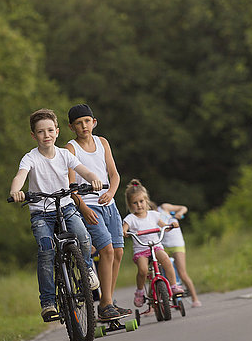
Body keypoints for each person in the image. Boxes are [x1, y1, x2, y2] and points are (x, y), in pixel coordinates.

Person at [9, 108, 101, 322]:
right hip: (41, 212)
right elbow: (20, 176)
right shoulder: (30, 158)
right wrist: (16, 191)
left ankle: (86, 269)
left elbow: (84, 170)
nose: (46, 135)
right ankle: (48, 302)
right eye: (41, 132)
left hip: (66, 207)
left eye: (50, 130)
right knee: (46, 250)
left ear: (57, 132)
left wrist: (93, 179)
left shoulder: (64, 154)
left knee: (84, 237)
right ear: (34, 135)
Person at [65, 103, 130, 322]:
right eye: (78, 123)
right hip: (89, 206)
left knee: (118, 252)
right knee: (107, 250)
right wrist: (82, 207)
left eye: (87, 121)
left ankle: (107, 303)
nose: (84, 126)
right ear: (72, 127)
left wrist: (111, 193)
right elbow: (71, 186)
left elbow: (114, 174)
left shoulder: (102, 142)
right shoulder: (71, 148)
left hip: (108, 203)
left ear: (94, 122)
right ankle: (106, 303)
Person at [122, 179, 184, 307]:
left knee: (166, 260)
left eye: (141, 201)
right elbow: (124, 229)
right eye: (135, 202)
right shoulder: (130, 219)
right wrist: (124, 232)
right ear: (129, 204)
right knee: (143, 270)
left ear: (146, 201)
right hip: (141, 250)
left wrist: (171, 225)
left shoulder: (154, 215)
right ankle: (139, 292)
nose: (139, 205)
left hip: (156, 246)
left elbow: (164, 225)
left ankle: (174, 286)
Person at [154, 201, 202, 307]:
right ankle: (154, 304)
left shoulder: (164, 207)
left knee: (182, 272)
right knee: (157, 274)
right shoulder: (148, 217)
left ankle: (195, 298)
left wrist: (179, 214)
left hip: (176, 244)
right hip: (162, 246)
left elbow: (183, 207)